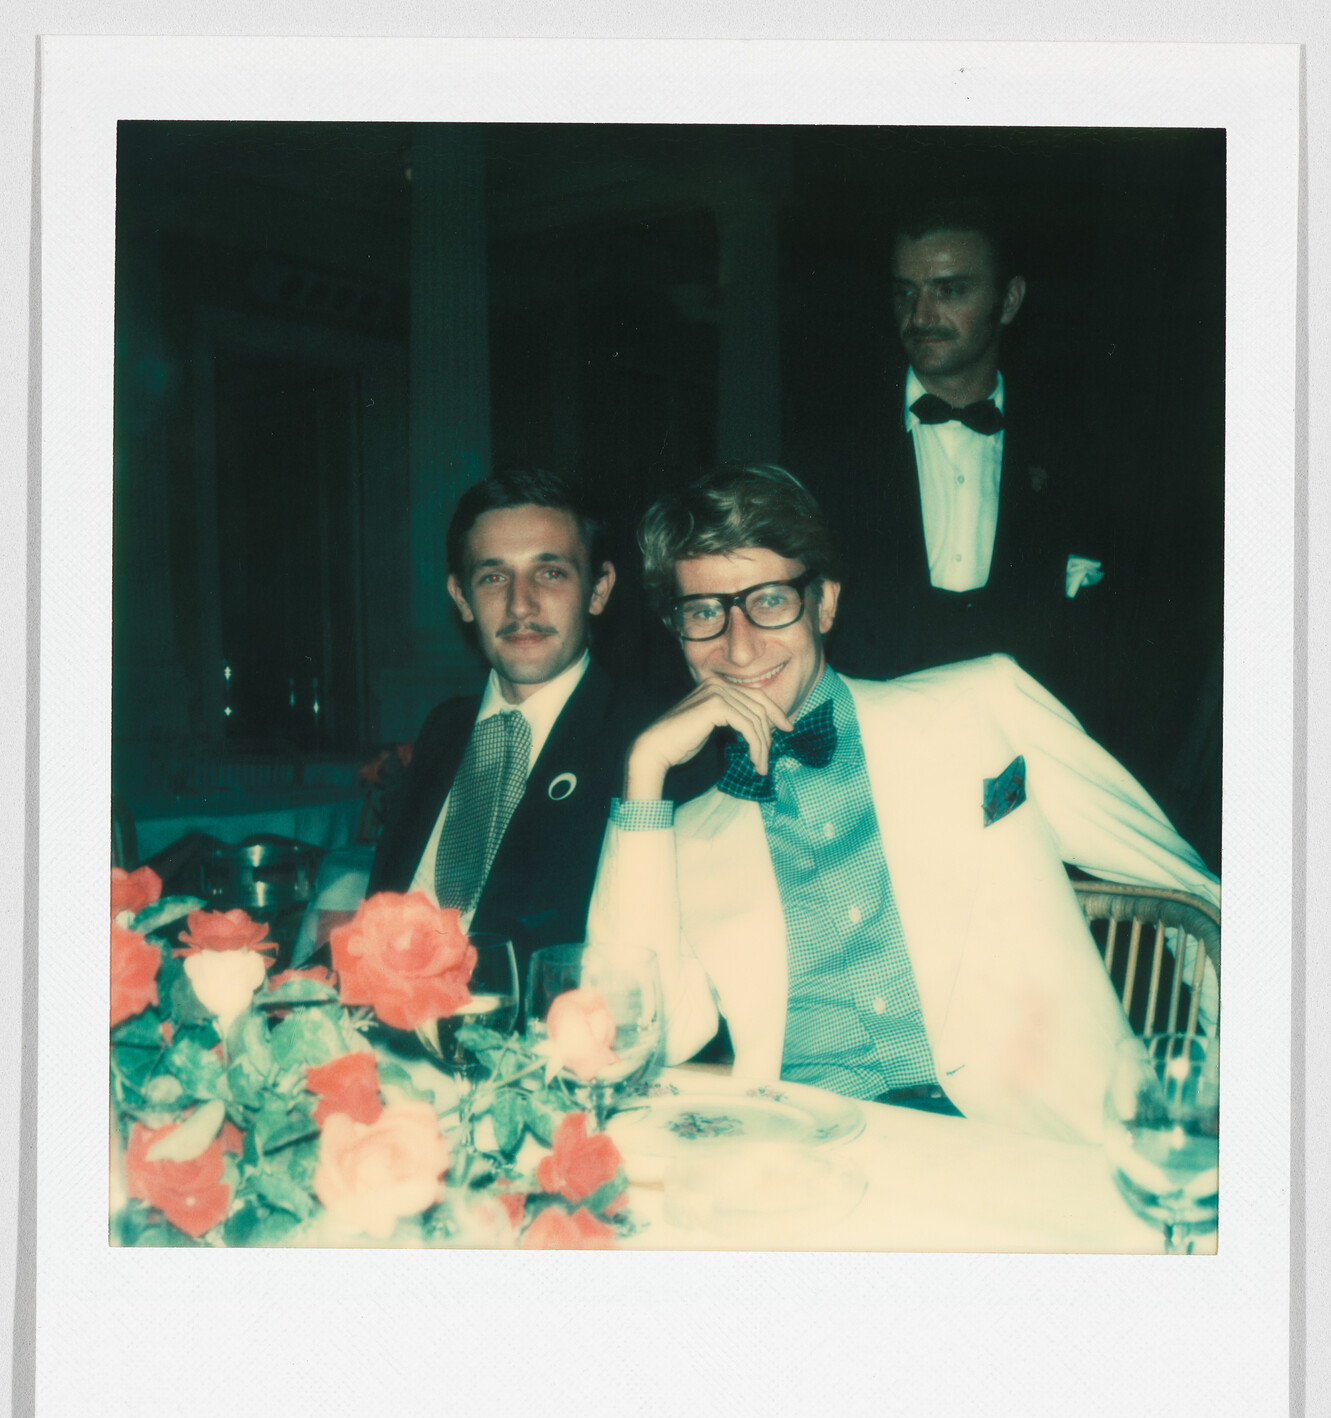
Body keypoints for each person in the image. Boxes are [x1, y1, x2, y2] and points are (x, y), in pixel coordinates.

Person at [587, 464, 1217, 1145]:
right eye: (704, 612)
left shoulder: (982, 705)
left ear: (823, 603)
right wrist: (642, 775)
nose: (738, 646)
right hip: (812, 1166)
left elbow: (1193, 896)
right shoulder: (678, 838)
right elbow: (636, 1041)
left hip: (1031, 1148)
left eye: (769, 600)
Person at [805, 197, 1120, 749]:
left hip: (1032, 760)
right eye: (906, 291)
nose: (921, 316)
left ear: (1010, 300)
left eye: (950, 290)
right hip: (877, 760)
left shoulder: (1080, 458)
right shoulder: (827, 456)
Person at [369, 467, 665, 981]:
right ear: (461, 598)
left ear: (598, 589)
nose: (520, 604)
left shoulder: (647, 739)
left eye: (550, 573)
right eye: (493, 577)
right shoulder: (444, 728)